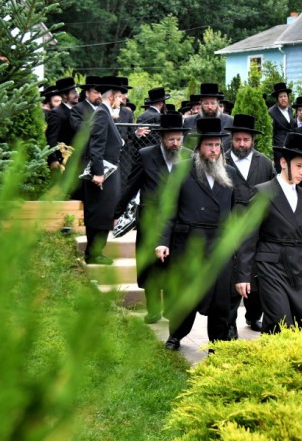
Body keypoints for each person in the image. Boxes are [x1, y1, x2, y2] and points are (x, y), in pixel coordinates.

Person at [234, 133, 302, 334]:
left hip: (298, 266)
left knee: (299, 324)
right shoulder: (262, 192)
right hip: (270, 266)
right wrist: (243, 275)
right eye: (299, 166)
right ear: (283, 162)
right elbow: (248, 235)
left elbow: (296, 229)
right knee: (278, 320)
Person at [155, 118, 241, 351]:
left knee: (220, 299)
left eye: (217, 145)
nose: (213, 150)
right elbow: (168, 209)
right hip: (189, 243)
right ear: (199, 147)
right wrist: (163, 241)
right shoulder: (182, 170)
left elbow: (233, 211)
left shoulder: (230, 173)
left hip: (219, 244)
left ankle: (218, 343)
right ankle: (176, 335)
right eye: (208, 145)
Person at [115, 112, 187, 322]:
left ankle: (171, 308)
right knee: (150, 265)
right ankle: (153, 309)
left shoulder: (189, 156)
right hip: (150, 219)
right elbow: (131, 185)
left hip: (178, 221)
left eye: (178, 139)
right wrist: (116, 213)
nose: (175, 144)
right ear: (161, 138)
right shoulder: (146, 155)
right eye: (171, 139)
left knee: (173, 265)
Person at [224, 114, 277, 335]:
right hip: (230, 227)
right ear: (231, 139)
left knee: (257, 275)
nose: (242, 144)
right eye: (238, 140)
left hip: (259, 228)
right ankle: (229, 323)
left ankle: (254, 316)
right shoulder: (221, 162)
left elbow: (275, 192)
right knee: (231, 276)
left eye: (246, 140)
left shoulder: (264, 163)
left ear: (252, 140)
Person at [80, 76, 124, 265]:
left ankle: (96, 252)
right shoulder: (101, 114)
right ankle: (93, 253)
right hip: (103, 173)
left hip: (109, 171)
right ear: (112, 96)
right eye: (119, 97)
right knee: (100, 212)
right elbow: (96, 146)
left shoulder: (104, 113)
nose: (121, 101)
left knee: (105, 211)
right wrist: (98, 173)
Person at [267, 82, 296, 152]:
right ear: (277, 99)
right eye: (280, 97)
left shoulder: (290, 110)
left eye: (285, 96)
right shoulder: (271, 112)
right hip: (279, 150)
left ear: (288, 97)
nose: (283, 98)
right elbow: (270, 134)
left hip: (292, 148)